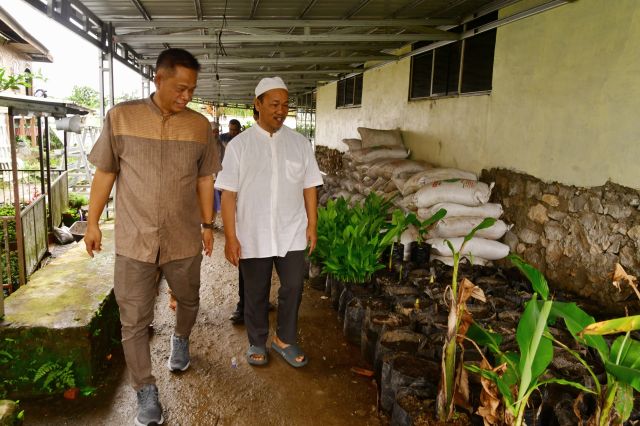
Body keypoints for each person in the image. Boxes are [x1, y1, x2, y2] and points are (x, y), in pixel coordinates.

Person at [84, 48, 220, 426]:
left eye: (191, 90)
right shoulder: (121, 118)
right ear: (158, 79)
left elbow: (205, 179)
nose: (186, 97)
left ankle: (181, 338)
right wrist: (92, 222)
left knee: (189, 298)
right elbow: (106, 173)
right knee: (133, 321)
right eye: (180, 88)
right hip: (134, 240)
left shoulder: (199, 127)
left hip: (182, 239)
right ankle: (146, 389)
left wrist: (208, 226)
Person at [215, 76, 323, 368]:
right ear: (258, 104)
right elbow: (227, 195)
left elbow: (310, 186)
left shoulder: (299, 143)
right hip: (254, 232)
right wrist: (231, 237)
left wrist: (312, 225)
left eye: (285, 105)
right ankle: (257, 341)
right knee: (256, 291)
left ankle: (285, 339)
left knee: (292, 287)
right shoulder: (240, 146)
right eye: (274, 104)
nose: (281, 110)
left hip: (292, 230)